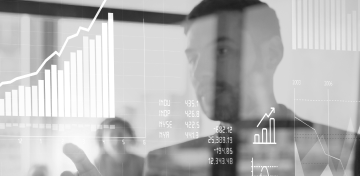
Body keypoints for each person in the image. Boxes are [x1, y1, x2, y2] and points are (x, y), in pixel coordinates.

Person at [61, 0, 357, 176]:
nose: (201, 71)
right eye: (193, 58)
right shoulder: (166, 165)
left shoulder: (346, 152)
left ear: (271, 53)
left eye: (221, 52)